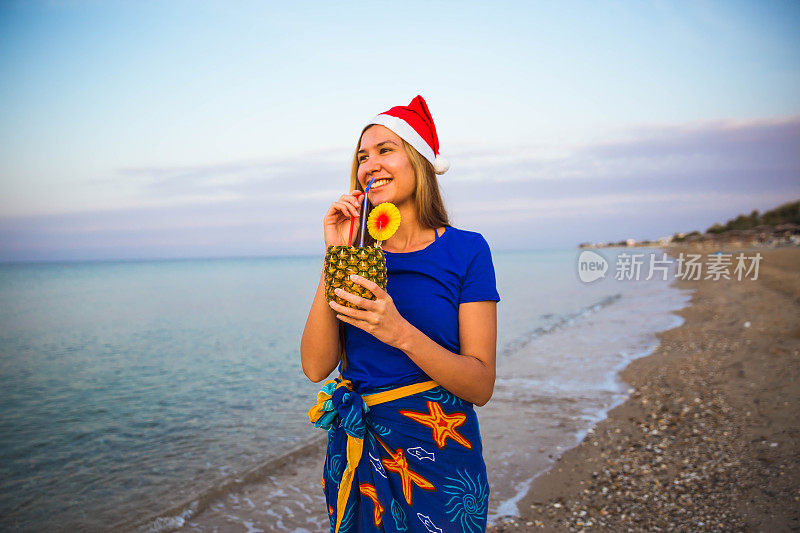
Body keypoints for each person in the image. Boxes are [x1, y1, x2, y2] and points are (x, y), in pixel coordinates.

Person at [301, 95, 501, 533]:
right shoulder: (355, 255)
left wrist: (399, 332)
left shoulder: (467, 250)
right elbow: (316, 368)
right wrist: (335, 255)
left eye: (385, 150)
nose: (369, 164)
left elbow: (481, 383)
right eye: (362, 156)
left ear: (420, 161)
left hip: (441, 450)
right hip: (361, 448)